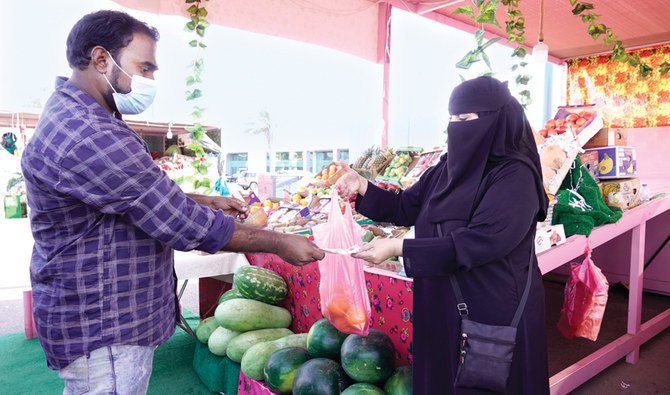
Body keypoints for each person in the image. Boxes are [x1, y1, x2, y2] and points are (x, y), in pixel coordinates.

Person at [20, 10, 324, 394]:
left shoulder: (80, 115)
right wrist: (279, 242)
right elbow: (183, 224)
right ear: (101, 59)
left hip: (96, 313)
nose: (149, 81)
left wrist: (201, 199)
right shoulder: (88, 132)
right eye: (144, 69)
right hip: (104, 323)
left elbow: (129, 196)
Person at [336, 76, 550, 394]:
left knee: (487, 385)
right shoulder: (446, 168)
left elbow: (479, 242)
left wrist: (399, 248)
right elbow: (404, 207)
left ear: (497, 121)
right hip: (441, 303)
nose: (455, 127)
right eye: (451, 118)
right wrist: (363, 187)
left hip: (491, 310)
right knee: (442, 378)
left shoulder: (514, 176)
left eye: (464, 118)